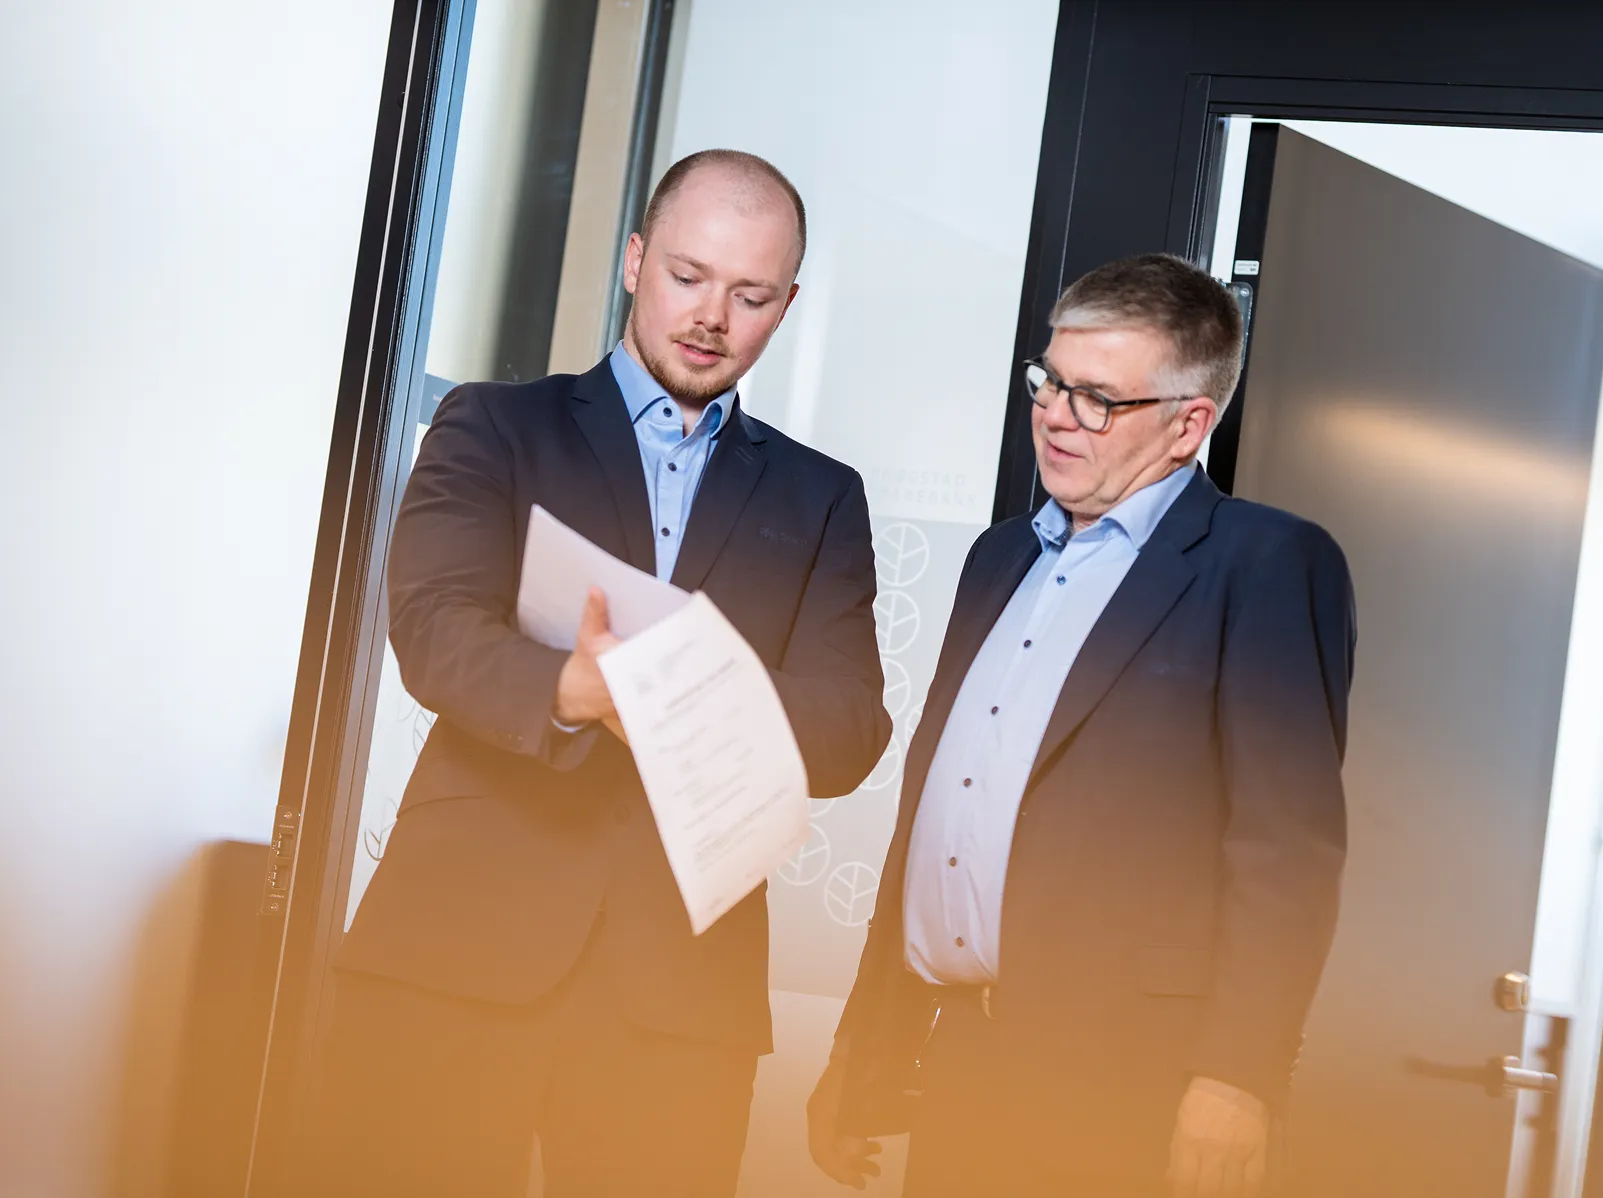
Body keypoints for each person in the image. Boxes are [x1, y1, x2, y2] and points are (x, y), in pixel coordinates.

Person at [302, 149, 891, 1196]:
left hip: (680, 991)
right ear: (633, 260)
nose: (711, 317)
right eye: (687, 276)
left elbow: (850, 729)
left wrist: (688, 691)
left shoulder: (821, 498)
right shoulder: (495, 424)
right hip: (457, 951)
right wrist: (567, 694)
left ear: (787, 305)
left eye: (751, 296)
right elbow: (432, 626)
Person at [807, 253, 1356, 1198]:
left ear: (1190, 424)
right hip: (962, 1071)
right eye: (1051, 383)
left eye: (1099, 399)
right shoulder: (998, 559)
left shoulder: (1267, 564)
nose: (1057, 416)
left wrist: (1237, 1079)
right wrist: (866, 1047)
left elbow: (1285, 855)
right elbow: (937, 819)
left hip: (1129, 1098)